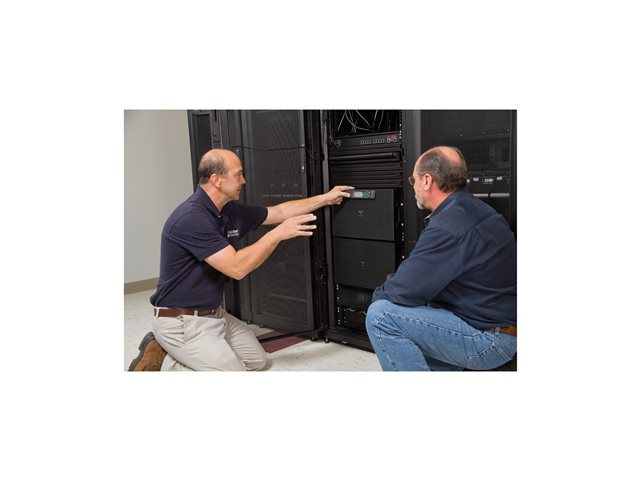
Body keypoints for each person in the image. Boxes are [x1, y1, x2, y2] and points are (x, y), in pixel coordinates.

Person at [129, 148, 353, 371]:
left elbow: (279, 212)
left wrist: (326, 198)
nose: (243, 180)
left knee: (257, 361)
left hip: (215, 315)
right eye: (238, 174)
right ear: (216, 180)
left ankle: (175, 352)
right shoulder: (191, 218)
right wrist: (278, 233)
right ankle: (166, 354)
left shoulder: (229, 211)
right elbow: (236, 268)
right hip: (181, 321)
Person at [365, 146, 516, 371]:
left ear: (427, 180)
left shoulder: (449, 226)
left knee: (380, 316)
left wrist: (376, 298)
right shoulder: (475, 210)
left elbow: (405, 289)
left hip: (488, 340)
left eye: (413, 180)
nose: (413, 186)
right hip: (496, 327)